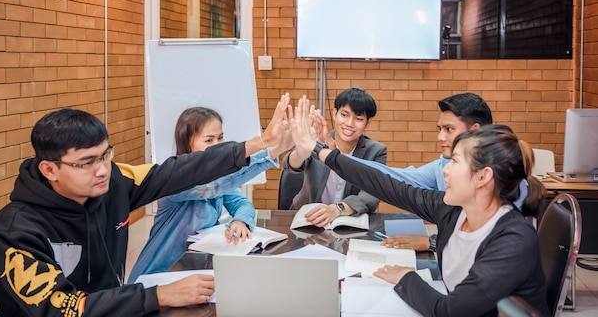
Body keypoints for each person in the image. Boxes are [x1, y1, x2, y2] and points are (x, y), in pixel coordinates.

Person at [0, 94, 291, 317]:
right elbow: (64, 308)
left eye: (105, 155)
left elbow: (177, 171)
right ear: (49, 170)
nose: (102, 169)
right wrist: (158, 295)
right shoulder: (15, 232)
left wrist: (259, 143)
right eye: (86, 163)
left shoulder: (113, 184)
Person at [289, 97, 549, 316]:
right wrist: (320, 150)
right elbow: (388, 185)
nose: (444, 171)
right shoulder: (453, 210)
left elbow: (450, 311)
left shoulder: (513, 239)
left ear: (483, 177)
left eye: (455, 162)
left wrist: (405, 278)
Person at [128, 106, 289, 283]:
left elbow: (242, 203)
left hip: (194, 274)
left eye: (220, 138)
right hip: (156, 279)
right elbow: (215, 187)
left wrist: (240, 221)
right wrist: (270, 153)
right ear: (187, 143)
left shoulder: (219, 178)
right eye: (208, 140)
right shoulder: (176, 180)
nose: (218, 146)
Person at [280, 87, 386, 227]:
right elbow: (290, 166)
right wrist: (301, 152)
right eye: (344, 115)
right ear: (335, 113)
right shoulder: (317, 138)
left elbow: (371, 195)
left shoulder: (376, 151)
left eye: (358, 118)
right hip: (307, 219)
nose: (349, 123)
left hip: (348, 222)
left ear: (368, 122)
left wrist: (338, 209)